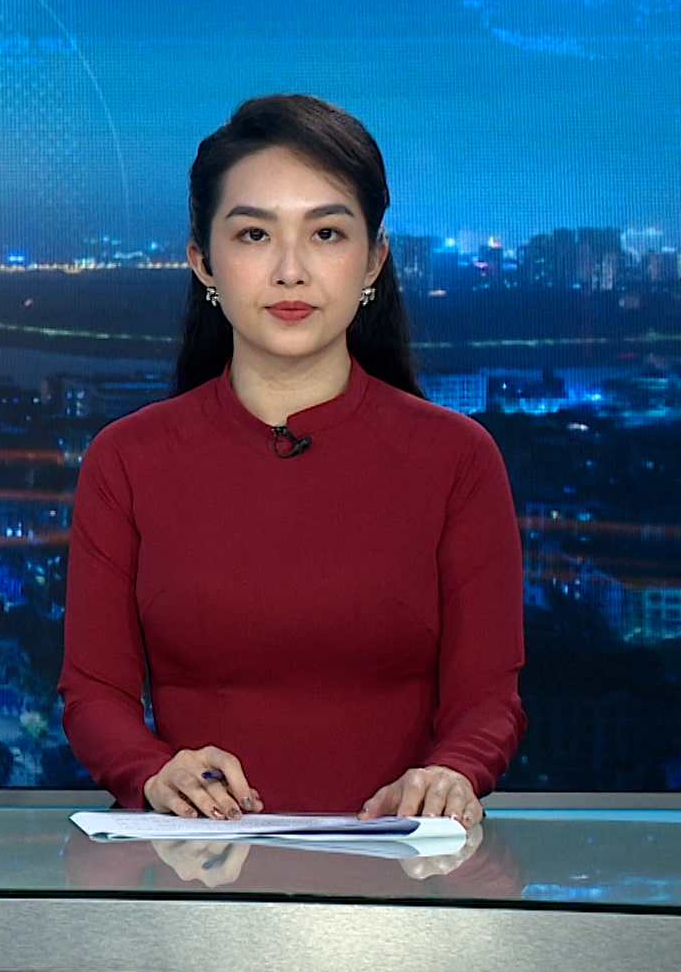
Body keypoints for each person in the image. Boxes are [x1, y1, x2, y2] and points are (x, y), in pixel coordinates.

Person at [58, 94, 524, 827]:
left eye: (326, 233)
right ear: (203, 263)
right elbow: (93, 695)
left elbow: (488, 701)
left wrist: (451, 774)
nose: (290, 271)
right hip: (197, 869)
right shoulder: (126, 462)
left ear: (374, 260)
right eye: (254, 234)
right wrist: (152, 772)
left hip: (402, 871)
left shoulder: (458, 460)